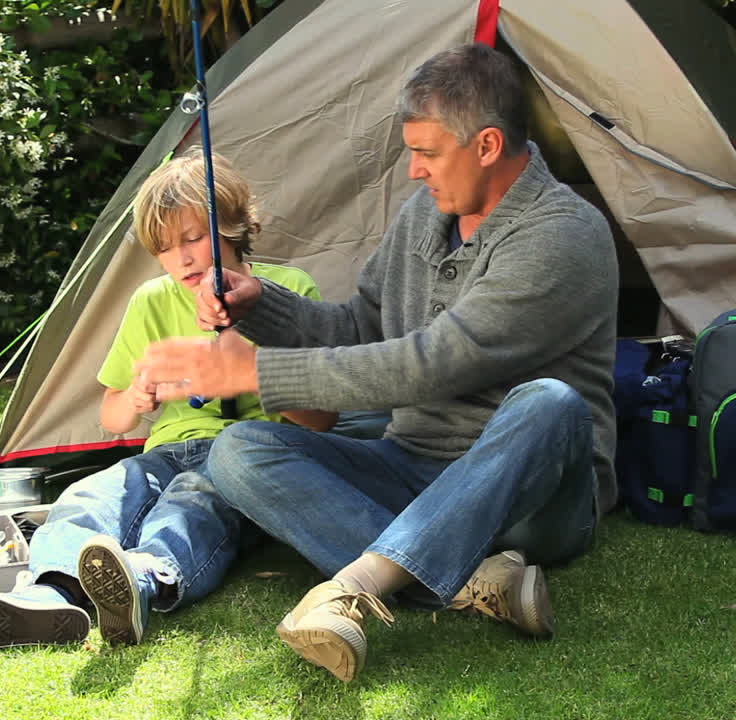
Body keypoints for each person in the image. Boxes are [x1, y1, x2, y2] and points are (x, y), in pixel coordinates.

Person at [135, 43, 619, 682]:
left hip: (533, 502)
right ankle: (468, 580)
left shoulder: (563, 235)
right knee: (238, 452)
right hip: (413, 464)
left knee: (550, 403)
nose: (414, 171)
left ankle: (360, 583)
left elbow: (433, 365)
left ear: (488, 146)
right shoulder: (428, 210)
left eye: (426, 153)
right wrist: (259, 305)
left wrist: (251, 373)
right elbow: (359, 325)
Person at [0, 149, 334, 649]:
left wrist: (249, 374)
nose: (183, 258)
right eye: (165, 248)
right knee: (85, 496)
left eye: (194, 238)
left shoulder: (289, 290)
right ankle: (50, 596)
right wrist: (138, 396)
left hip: (251, 459)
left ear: (231, 227)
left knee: (191, 505)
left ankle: (141, 581)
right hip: (169, 449)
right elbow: (112, 415)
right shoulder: (151, 300)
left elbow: (322, 420)